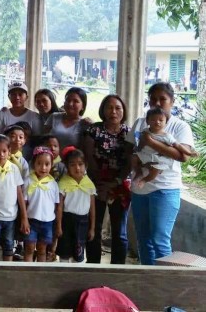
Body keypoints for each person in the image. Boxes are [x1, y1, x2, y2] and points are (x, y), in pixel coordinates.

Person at [127, 83, 196, 265]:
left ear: (172, 102)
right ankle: (147, 279)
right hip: (140, 189)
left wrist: (150, 141)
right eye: (153, 99)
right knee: (144, 240)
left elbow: (183, 157)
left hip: (165, 189)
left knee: (160, 240)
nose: (157, 103)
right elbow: (130, 149)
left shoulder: (180, 126)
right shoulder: (141, 122)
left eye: (162, 99)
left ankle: (165, 283)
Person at [82, 94, 131, 265]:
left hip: (120, 185)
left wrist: (116, 181)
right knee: (93, 226)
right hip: (96, 183)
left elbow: (130, 161)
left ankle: (118, 267)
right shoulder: (94, 130)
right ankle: (93, 264)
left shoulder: (128, 133)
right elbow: (89, 156)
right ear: (103, 110)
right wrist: (101, 184)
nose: (114, 111)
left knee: (119, 231)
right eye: (109, 107)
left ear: (123, 111)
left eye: (118, 108)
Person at [0, 135, 28, 261]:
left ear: (9, 151)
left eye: (4, 151)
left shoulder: (14, 168)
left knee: (9, 246)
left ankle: (6, 270)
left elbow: (19, 193)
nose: (1, 154)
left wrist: (24, 217)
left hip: (11, 216)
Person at [132, 107, 190, 188]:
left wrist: (189, 152)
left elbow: (178, 145)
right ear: (147, 121)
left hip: (157, 159)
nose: (157, 122)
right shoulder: (145, 131)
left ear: (166, 122)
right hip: (144, 154)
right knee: (134, 157)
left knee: (155, 171)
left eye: (161, 120)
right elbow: (141, 143)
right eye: (153, 120)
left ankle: (145, 180)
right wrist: (139, 148)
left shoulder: (167, 136)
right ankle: (138, 172)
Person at [56, 148, 96, 263]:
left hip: (83, 222)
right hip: (67, 221)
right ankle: (63, 276)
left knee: (78, 252)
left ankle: (76, 278)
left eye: (80, 164)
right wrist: (58, 226)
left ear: (85, 165)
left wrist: (92, 228)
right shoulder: (63, 183)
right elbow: (59, 207)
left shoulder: (89, 184)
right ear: (67, 167)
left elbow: (92, 208)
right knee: (64, 252)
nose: (77, 168)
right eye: (72, 165)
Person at [24, 147, 59, 263]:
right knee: (29, 248)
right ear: (34, 164)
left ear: (51, 165)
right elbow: (24, 202)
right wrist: (24, 220)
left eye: (47, 164)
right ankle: (27, 275)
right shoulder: (28, 181)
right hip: (31, 221)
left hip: (47, 222)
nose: (43, 167)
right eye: (39, 163)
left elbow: (55, 205)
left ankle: (39, 275)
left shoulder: (53, 184)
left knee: (42, 249)